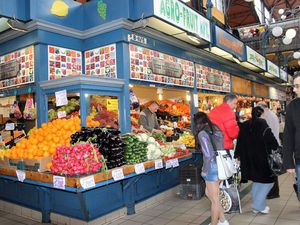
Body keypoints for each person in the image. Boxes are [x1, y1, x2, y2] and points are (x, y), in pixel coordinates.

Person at [234, 107, 278, 214]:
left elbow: (239, 142)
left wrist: (237, 155)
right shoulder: (262, 123)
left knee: (257, 181)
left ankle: (256, 206)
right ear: (261, 114)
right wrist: (276, 146)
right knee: (269, 182)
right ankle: (259, 205)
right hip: (262, 158)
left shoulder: (245, 125)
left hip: (248, 159)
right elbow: (271, 139)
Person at [194, 112, 229, 225]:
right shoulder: (216, 129)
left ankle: (214, 223)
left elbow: (208, 155)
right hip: (222, 166)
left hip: (212, 168)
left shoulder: (202, 134)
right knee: (209, 193)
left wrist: (204, 171)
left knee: (214, 199)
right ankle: (223, 220)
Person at [257, 101, 281, 199]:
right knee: (273, 170)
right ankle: (274, 192)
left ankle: (272, 192)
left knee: (271, 171)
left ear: (262, 108)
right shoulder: (272, 114)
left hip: (270, 146)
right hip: (274, 145)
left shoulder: (267, 116)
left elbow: (267, 133)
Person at [283, 74, 300, 200]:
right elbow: (288, 135)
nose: (294, 89)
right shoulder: (292, 106)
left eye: (297, 86)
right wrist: (288, 162)